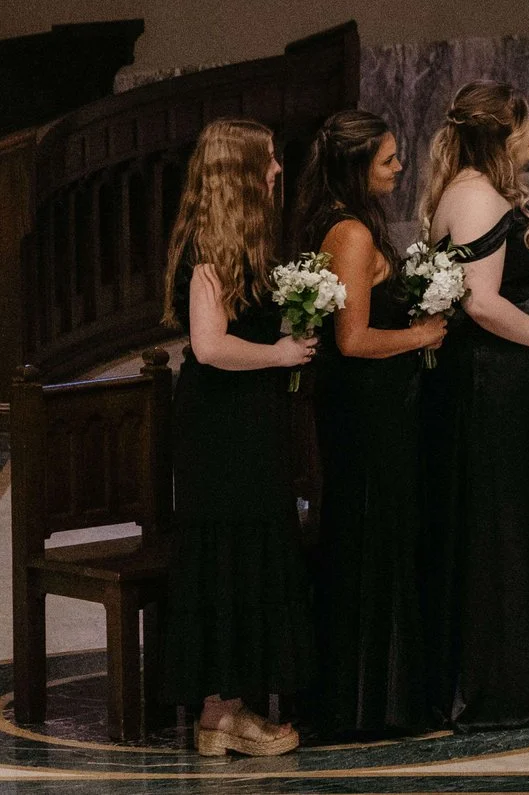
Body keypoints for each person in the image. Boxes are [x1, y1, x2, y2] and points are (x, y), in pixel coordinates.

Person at [417, 81, 529, 724]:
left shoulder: (471, 192)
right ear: (501, 133)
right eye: (525, 125)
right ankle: (506, 680)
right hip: (497, 382)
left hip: (506, 382)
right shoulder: (475, 195)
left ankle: (527, 672)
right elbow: (482, 302)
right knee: (504, 525)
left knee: (516, 521)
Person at [161, 118, 318, 756]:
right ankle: (217, 713)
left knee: (251, 556)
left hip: (246, 427)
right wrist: (281, 356)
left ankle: (233, 705)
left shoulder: (243, 246)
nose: (278, 170)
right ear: (238, 175)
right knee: (224, 560)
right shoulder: (205, 249)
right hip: (219, 432)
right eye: (269, 161)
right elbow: (209, 345)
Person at [299, 108, 446, 738]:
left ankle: (379, 698)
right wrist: (422, 333)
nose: (398, 168)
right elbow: (353, 338)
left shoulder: (345, 224)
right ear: (360, 166)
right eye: (388, 159)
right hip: (365, 416)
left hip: (373, 412)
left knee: (379, 540)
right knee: (371, 542)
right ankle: (368, 704)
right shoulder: (352, 235)